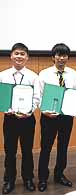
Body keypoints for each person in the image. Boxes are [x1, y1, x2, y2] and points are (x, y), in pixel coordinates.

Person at [37, 43, 76, 192]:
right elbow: (39, 96)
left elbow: (75, 95)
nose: (61, 58)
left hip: (66, 117)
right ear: (53, 57)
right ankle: (42, 178)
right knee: (46, 148)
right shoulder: (44, 74)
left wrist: (75, 110)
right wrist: (44, 111)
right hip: (49, 116)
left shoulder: (73, 74)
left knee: (63, 147)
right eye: (58, 55)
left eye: (64, 55)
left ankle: (59, 174)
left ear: (67, 57)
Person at [0, 43, 40, 194]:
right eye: (16, 53)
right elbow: (2, 98)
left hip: (27, 119)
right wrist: (9, 110)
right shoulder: (2, 76)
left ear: (27, 57)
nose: (19, 56)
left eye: (22, 54)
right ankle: (9, 180)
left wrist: (29, 111)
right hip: (9, 119)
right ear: (11, 56)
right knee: (10, 151)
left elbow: (37, 98)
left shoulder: (33, 77)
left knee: (27, 150)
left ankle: (28, 179)